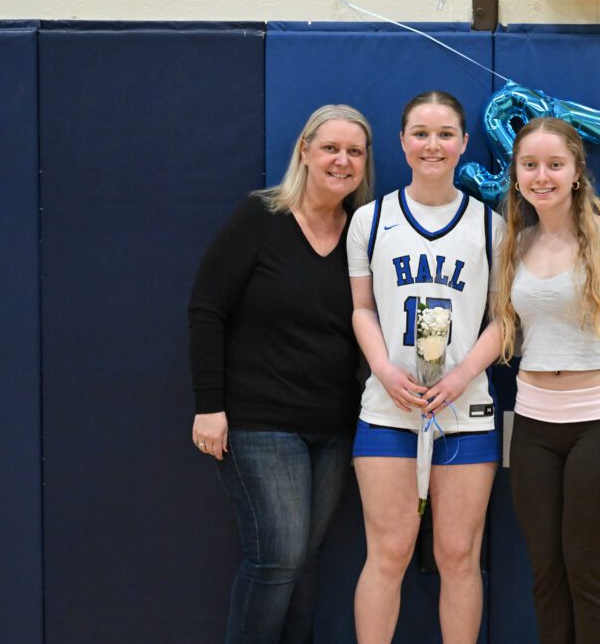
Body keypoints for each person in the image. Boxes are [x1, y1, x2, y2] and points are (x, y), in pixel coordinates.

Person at [188, 104, 374, 644]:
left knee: (305, 560)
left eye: (355, 151)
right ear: (304, 151)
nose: (342, 160)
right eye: (330, 148)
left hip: (335, 427)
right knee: (278, 558)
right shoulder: (261, 217)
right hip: (260, 424)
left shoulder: (364, 232)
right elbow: (207, 308)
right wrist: (208, 406)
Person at [493, 116, 600, 644]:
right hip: (533, 427)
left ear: (577, 172)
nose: (542, 176)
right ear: (516, 175)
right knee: (547, 572)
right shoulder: (514, 245)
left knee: (587, 568)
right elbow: (502, 330)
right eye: (530, 165)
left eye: (554, 164)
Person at [347, 90, 503, 644]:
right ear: (402, 141)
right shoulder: (370, 219)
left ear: (463, 143)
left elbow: (503, 320)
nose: (432, 145)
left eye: (444, 134)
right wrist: (385, 370)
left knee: (457, 554)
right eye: (420, 133)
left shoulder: (490, 226)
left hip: (464, 409)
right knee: (388, 552)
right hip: (390, 406)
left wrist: (461, 377)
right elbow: (362, 309)